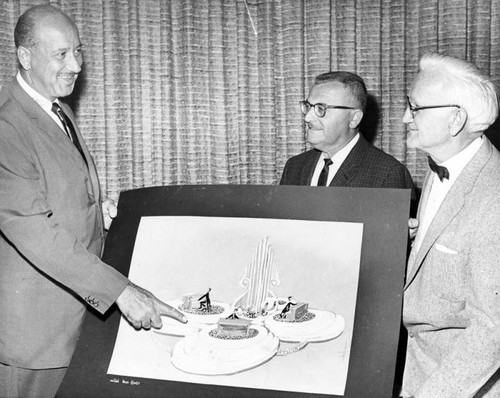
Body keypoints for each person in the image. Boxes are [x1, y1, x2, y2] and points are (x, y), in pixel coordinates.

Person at [0, 5, 186, 397]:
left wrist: (96, 211)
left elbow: (58, 192)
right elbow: (32, 230)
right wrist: (121, 291)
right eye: (61, 55)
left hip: (75, 321)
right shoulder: (6, 126)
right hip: (36, 337)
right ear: (25, 57)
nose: (76, 65)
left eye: (79, 52)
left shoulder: (58, 110)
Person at [401, 53, 500, 397]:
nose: (404, 118)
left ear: (456, 119)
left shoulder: (494, 196)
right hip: (419, 366)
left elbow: (493, 331)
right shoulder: (441, 164)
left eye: (415, 108)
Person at [280, 71, 415, 197]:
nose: (307, 118)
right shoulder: (294, 167)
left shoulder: (388, 173)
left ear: (354, 118)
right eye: (308, 106)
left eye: (321, 109)